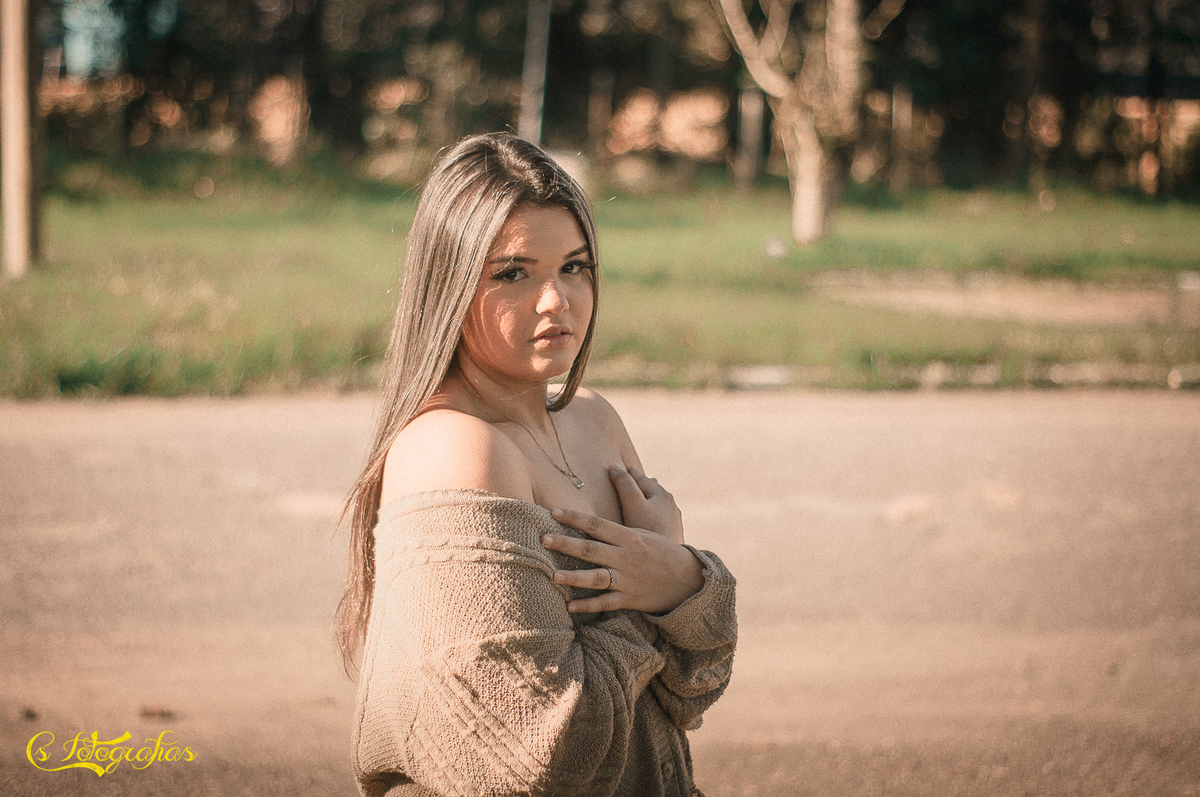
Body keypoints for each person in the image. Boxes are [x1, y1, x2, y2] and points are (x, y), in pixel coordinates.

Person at [336, 132, 736, 797]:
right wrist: (669, 576)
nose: (558, 300)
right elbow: (534, 755)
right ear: (451, 285)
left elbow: (690, 694)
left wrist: (683, 584)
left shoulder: (595, 421)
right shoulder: (455, 446)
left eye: (574, 267)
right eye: (514, 272)